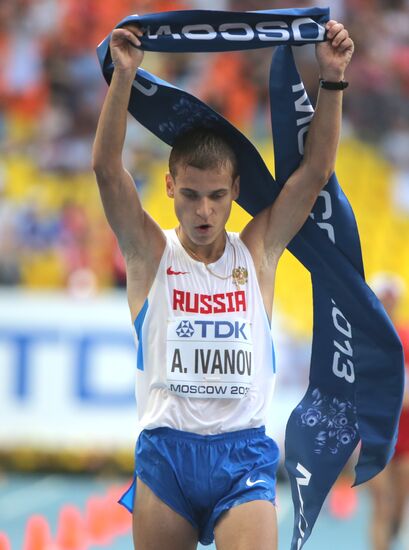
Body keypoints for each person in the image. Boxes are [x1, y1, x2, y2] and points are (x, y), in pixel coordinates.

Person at [92, 19, 354, 550]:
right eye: (190, 194)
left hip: (243, 458)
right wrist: (123, 77)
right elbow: (105, 170)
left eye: (216, 195)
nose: (204, 211)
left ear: (236, 188)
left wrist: (330, 79)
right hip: (167, 457)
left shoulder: (257, 250)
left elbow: (315, 173)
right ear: (169, 186)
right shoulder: (149, 252)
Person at [367, 274, 409, 550]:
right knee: (383, 503)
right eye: (383, 299)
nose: (387, 304)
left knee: (398, 510)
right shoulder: (363, 338)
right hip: (375, 433)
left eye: (391, 299)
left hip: (405, 431)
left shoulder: (406, 337)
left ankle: (392, 535)